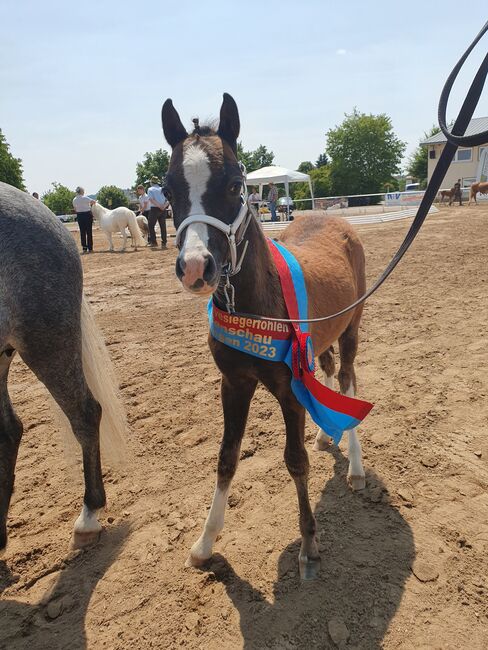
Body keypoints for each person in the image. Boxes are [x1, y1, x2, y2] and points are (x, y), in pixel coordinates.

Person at [147, 176, 169, 248]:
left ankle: (154, 242)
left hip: (154, 209)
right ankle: (164, 242)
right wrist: (163, 206)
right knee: (163, 226)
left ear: (151, 182)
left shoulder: (150, 189)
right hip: (163, 209)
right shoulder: (162, 189)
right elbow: (168, 199)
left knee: (150, 225)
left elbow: (151, 199)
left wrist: (159, 206)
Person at [72, 186, 94, 253]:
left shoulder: (74, 199)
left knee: (82, 232)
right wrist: (89, 206)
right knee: (89, 232)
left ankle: (84, 248)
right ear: (82, 191)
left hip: (79, 215)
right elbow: (93, 202)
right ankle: (90, 248)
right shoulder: (85, 198)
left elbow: (75, 209)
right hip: (87, 215)